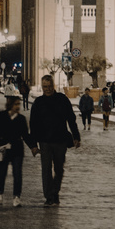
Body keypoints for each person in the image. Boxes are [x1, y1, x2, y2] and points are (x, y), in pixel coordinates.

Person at [29, 74, 81, 207]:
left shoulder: (62, 99)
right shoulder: (38, 103)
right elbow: (33, 125)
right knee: (46, 169)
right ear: (42, 87)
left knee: (59, 169)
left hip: (60, 140)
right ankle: (49, 197)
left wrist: (76, 136)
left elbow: (71, 118)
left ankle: (55, 192)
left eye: (49, 86)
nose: (47, 89)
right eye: (45, 87)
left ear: (54, 86)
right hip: (44, 141)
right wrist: (33, 145)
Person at [0, 94, 38, 206]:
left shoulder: (21, 119)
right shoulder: (1, 116)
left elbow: (25, 135)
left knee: (17, 173)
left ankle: (16, 197)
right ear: (10, 105)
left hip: (17, 148)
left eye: (19, 104)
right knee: (2, 172)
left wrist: (33, 147)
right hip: (3, 148)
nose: (18, 106)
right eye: (16, 104)